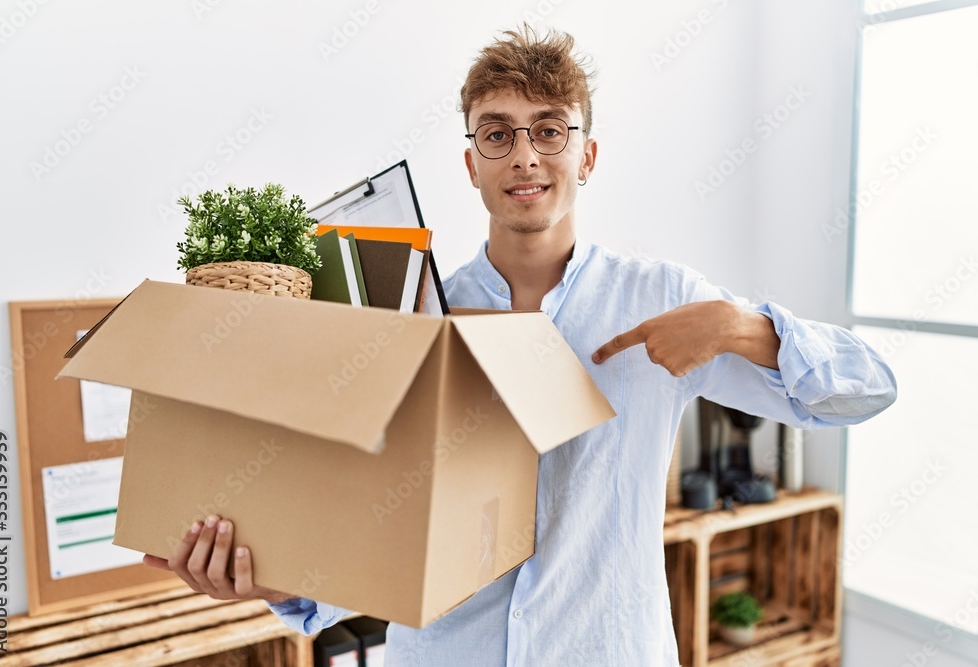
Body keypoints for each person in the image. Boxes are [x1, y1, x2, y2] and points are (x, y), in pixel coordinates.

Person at [145, 25, 896, 666]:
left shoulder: (663, 299)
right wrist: (277, 582)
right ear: (471, 162)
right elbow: (374, 522)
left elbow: (867, 388)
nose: (526, 156)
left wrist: (736, 324)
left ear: (587, 155)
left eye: (549, 129)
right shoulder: (414, 312)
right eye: (498, 133)